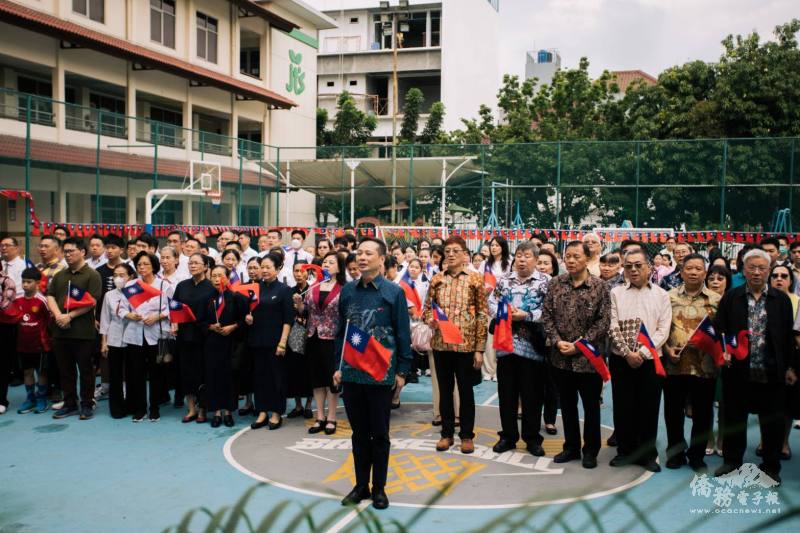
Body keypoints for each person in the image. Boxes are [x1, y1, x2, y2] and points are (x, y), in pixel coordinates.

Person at [334, 237, 412, 510]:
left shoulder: (394, 292)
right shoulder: (347, 292)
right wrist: (337, 366)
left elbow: (403, 333)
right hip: (353, 373)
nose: (362, 257)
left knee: (380, 434)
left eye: (369, 253)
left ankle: (379, 488)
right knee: (358, 433)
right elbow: (340, 333)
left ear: (382, 259)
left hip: (381, 373)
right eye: (359, 253)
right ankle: (360, 486)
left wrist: (402, 371)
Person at [714, 249, 796, 485]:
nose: (757, 272)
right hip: (739, 370)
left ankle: (770, 466)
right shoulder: (732, 297)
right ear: (743, 270)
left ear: (769, 270)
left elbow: (787, 337)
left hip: (772, 371)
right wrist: (726, 350)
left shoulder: (781, 300)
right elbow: (722, 329)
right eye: (752, 268)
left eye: (762, 268)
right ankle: (732, 462)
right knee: (734, 418)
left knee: (772, 422)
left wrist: (789, 366)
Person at [541, 241, 611, 469]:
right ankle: (570, 447)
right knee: (568, 406)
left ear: (587, 258)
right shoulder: (555, 284)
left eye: (576, 256)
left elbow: (604, 320)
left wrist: (580, 344)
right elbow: (547, 315)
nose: (570, 261)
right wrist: (558, 340)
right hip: (560, 358)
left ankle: (590, 451)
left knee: (590, 407)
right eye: (567, 256)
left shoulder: (600, 287)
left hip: (588, 359)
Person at [608, 248, 672, 472]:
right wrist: (627, 353)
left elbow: (663, 330)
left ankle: (646, 454)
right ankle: (624, 451)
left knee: (648, 407)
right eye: (628, 266)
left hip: (651, 360)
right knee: (623, 406)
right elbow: (612, 325)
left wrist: (643, 353)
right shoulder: (615, 293)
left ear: (649, 268)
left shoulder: (662, 295)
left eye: (638, 265)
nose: (633, 270)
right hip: (621, 359)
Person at [423, 236, 487, 455]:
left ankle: (467, 436)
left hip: (466, 346)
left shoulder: (475, 279)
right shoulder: (437, 279)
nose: (450, 255)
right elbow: (426, 310)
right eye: (447, 251)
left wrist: (479, 348)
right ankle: (446, 434)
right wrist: (429, 318)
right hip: (441, 345)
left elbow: (482, 314)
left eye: (455, 251)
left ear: (464, 255)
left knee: (466, 392)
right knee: (445, 390)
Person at [488, 242, 551, 457]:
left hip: (533, 348)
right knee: (507, 394)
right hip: (506, 346)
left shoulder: (545, 282)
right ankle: (508, 436)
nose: (522, 260)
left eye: (527, 256)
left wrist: (527, 315)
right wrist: (504, 312)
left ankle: (532, 438)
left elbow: (550, 310)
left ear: (535, 259)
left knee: (532, 395)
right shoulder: (505, 280)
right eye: (519, 256)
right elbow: (491, 302)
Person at [662, 254, 721, 471]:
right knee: (672, 412)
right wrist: (667, 349)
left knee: (703, 413)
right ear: (682, 271)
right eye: (689, 268)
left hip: (705, 367)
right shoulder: (667, 297)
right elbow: (661, 327)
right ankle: (675, 453)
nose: (694, 272)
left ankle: (697, 455)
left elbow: (721, 332)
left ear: (705, 273)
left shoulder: (716, 300)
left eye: (698, 268)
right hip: (674, 364)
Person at [46, 237, 102, 420]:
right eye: (66, 251)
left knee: (86, 370)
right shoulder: (60, 275)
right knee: (65, 370)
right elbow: (50, 296)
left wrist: (70, 316)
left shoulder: (92, 275)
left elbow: (92, 301)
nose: (68, 254)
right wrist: (58, 315)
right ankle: (70, 403)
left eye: (71, 251)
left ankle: (87, 403)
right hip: (60, 331)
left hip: (82, 333)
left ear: (82, 252)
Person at [295, 252, 347, 434]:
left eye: (332, 262)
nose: (326, 265)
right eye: (325, 262)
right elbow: (305, 312)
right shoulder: (313, 286)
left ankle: (332, 417)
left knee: (330, 380)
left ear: (340, 267)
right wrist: (300, 305)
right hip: (313, 337)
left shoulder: (344, 288)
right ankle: (320, 416)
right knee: (316, 379)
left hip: (332, 338)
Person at [120, 251, 170, 422]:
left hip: (155, 334)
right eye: (139, 264)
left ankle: (154, 407)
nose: (142, 267)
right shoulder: (131, 285)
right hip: (134, 334)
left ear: (154, 266)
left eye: (145, 264)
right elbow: (121, 309)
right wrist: (129, 315)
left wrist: (157, 316)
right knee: (136, 373)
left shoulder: (163, 285)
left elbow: (170, 308)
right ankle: (140, 408)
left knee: (156, 373)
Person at [247, 252, 293, 430]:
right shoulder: (255, 288)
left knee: (276, 378)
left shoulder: (284, 290)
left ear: (278, 268)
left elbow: (288, 320)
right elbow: (250, 311)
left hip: (276, 342)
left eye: (267, 267)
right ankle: (262, 411)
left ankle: (276, 412)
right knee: (260, 377)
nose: (263, 270)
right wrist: (248, 318)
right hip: (257, 340)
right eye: (262, 267)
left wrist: (282, 342)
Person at [172, 254, 216, 423]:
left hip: (204, 335)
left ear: (206, 266)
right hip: (184, 335)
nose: (192, 265)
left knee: (202, 373)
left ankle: (203, 409)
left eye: (197, 263)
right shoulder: (182, 286)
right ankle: (191, 408)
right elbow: (175, 307)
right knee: (186, 372)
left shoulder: (211, 287)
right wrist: (174, 323)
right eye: (190, 263)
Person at [204, 265, 247, 428]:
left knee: (229, 377)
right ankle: (215, 412)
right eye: (213, 276)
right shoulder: (207, 298)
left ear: (228, 278)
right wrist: (210, 327)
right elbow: (199, 321)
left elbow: (245, 321)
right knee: (213, 377)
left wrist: (233, 327)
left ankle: (228, 411)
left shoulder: (237, 298)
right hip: (212, 343)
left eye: (220, 276)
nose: (216, 279)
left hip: (231, 343)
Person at [99, 263, 136, 419]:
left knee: (133, 373)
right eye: (115, 275)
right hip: (114, 338)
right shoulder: (109, 295)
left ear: (131, 277)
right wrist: (104, 342)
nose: (118, 278)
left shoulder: (136, 293)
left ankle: (133, 405)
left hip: (133, 337)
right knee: (115, 374)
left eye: (122, 275)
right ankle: (117, 408)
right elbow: (105, 320)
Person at [13, 268, 51, 415]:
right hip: (23, 344)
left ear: (37, 283)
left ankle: (41, 399)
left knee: (41, 372)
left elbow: (49, 322)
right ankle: (30, 399)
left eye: (29, 282)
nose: (25, 285)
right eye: (23, 282)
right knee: (27, 372)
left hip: (40, 345)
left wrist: (47, 340)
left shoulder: (42, 301)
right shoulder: (18, 300)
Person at [285, 261, 313, 419]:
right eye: (296, 270)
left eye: (302, 271)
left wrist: (301, 307)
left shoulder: (313, 290)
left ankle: (309, 405)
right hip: (292, 335)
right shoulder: (288, 291)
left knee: (309, 370)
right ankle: (298, 405)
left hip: (309, 335)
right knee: (294, 369)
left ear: (307, 273)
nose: (298, 274)